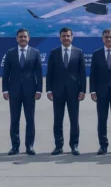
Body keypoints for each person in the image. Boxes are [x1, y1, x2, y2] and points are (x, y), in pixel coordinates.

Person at [2, 28, 42, 155]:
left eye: (25, 37)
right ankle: (15, 146)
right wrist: (5, 89)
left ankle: (29, 146)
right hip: (14, 91)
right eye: (20, 37)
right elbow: (6, 73)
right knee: (15, 120)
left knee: (30, 119)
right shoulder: (10, 53)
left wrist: (39, 89)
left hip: (30, 91)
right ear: (16, 39)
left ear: (29, 38)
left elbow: (39, 73)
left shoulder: (35, 52)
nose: (23, 39)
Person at [46, 27, 86, 155]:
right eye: (63, 36)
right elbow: (50, 73)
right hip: (58, 91)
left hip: (74, 92)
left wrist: (83, 90)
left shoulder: (78, 52)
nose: (66, 38)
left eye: (68, 36)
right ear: (60, 38)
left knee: (74, 119)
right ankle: (58, 146)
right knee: (58, 120)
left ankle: (74, 145)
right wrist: (48, 90)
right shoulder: (54, 52)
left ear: (72, 37)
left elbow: (82, 73)